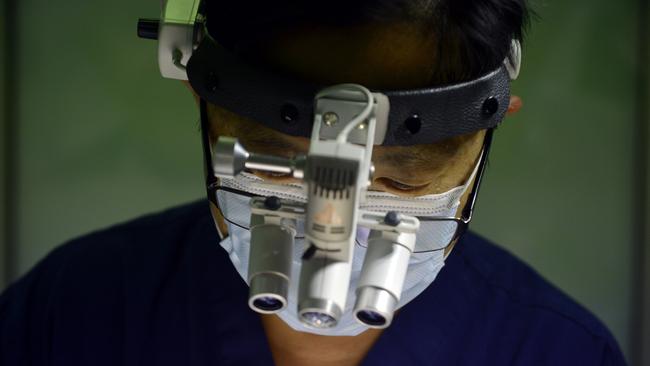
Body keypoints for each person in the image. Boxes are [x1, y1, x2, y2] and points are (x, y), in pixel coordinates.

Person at [0, 1, 627, 365]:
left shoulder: (556, 351)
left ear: (488, 126)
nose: (335, 229)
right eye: (276, 167)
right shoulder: (67, 316)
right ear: (201, 94)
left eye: (401, 179)